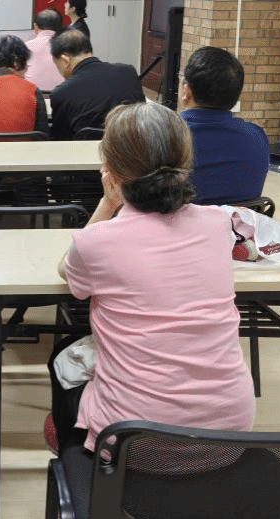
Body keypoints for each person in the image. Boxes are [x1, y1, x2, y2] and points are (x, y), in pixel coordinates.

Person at [48, 101, 255, 456]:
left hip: (134, 445)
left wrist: (107, 204)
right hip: (230, 439)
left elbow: (67, 271)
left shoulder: (96, 242)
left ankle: (76, 461)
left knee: (63, 360)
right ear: (185, 164)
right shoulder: (219, 224)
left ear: (111, 171)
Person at [180, 46, 270, 204]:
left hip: (180, 220)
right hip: (238, 220)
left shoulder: (162, 134)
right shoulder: (257, 136)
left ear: (187, 91)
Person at [49, 29, 144, 140]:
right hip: (131, 146)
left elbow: (60, 139)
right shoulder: (128, 72)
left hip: (86, 150)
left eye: (57, 64)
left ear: (65, 60)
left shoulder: (61, 93)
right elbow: (142, 116)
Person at [24, 8, 65, 91]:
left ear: (35, 26)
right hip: (63, 95)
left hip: (33, 95)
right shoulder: (69, 46)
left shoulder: (26, 47)